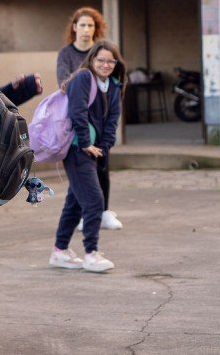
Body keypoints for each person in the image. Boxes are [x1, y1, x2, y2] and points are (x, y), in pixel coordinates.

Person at [49, 40, 125, 273]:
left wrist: (104, 147)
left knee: (74, 203)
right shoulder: (83, 78)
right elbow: (77, 111)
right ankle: (91, 253)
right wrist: (86, 142)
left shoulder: (113, 85)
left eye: (110, 61)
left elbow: (112, 121)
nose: (105, 64)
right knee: (94, 201)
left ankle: (59, 251)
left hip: (95, 151)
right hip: (77, 149)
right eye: (100, 60)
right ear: (92, 60)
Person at [55, 7, 122, 230]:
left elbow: (111, 84)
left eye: (90, 25)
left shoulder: (101, 52)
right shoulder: (66, 53)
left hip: (101, 120)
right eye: (82, 25)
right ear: (74, 28)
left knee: (102, 166)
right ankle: (87, 213)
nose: (86, 29)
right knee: (83, 172)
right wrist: (83, 82)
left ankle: (102, 212)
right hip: (78, 123)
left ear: (97, 28)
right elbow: (64, 82)